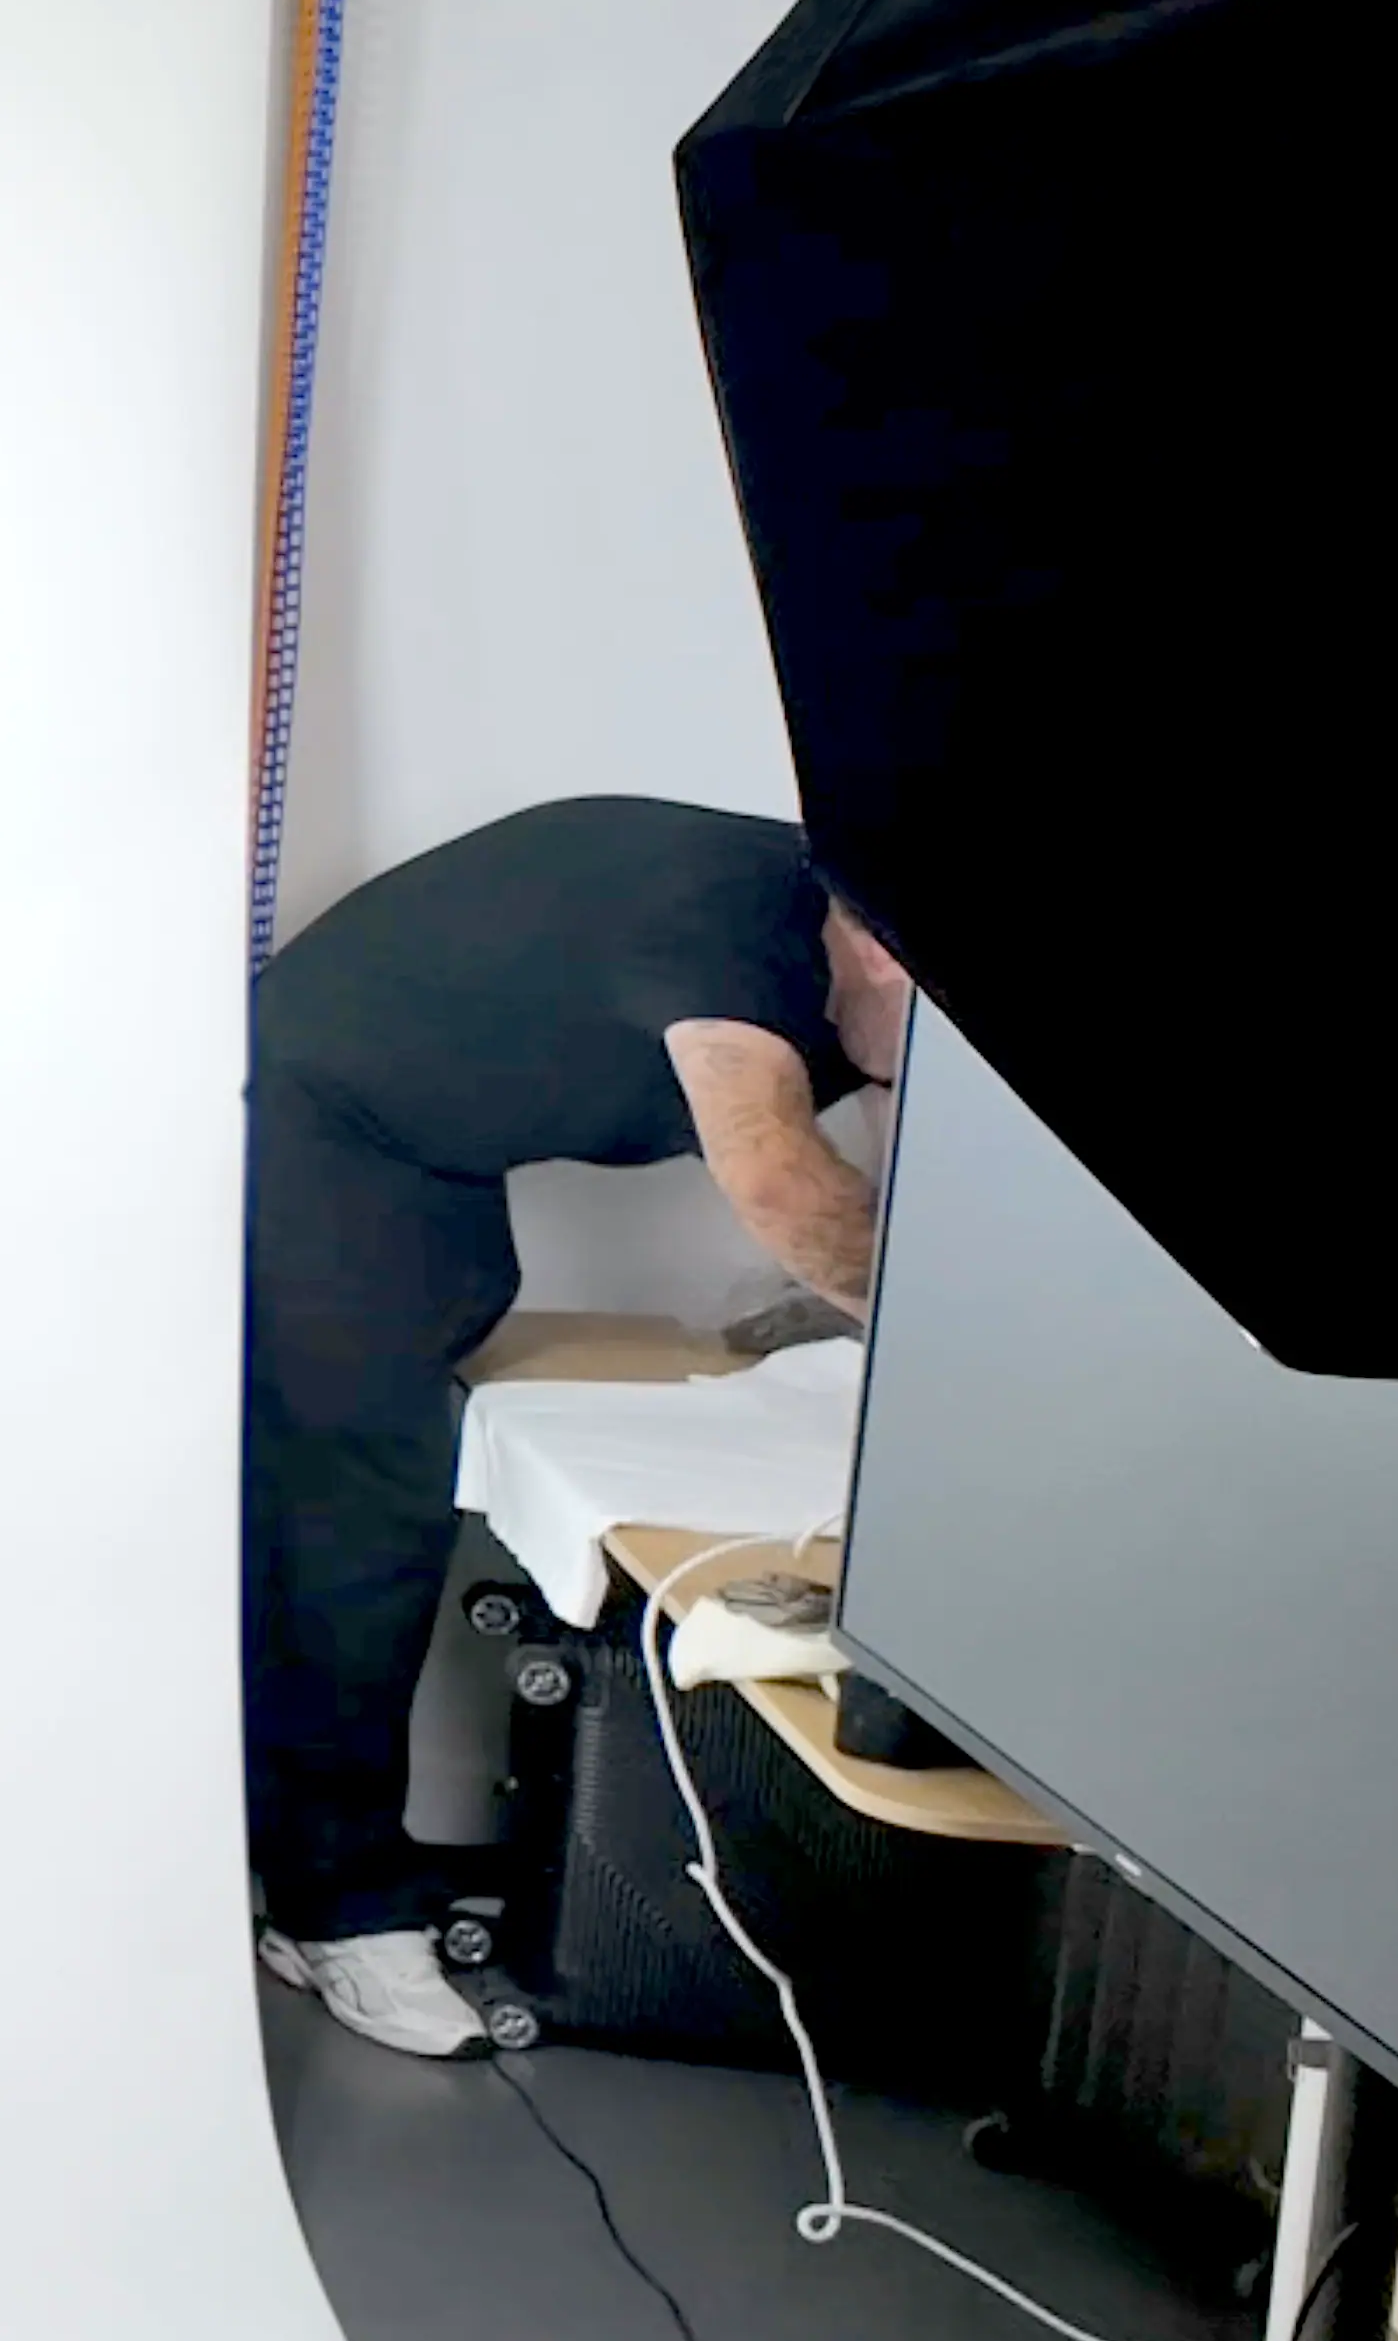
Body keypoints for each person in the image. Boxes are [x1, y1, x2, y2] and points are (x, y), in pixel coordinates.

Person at [243, 794, 903, 2056]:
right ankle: (334, 1914)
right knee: (355, 1493)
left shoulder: (864, 949)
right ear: (873, 945)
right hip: (331, 1100)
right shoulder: (726, 943)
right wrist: (940, 1351)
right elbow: (775, 1175)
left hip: (441, 1134)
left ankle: (356, 1864)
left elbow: (911, 1148)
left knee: (449, 1335)